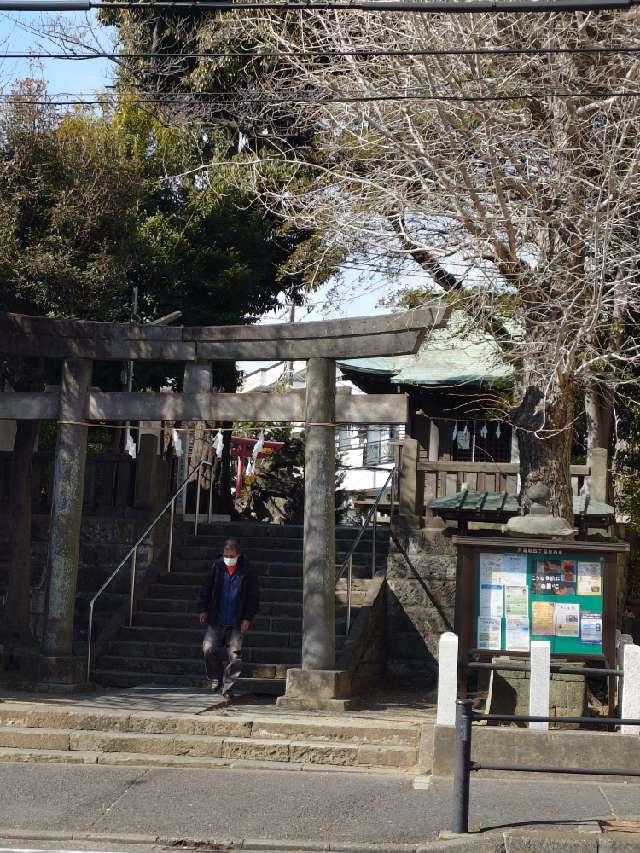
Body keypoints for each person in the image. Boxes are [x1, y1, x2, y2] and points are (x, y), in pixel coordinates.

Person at [198, 538, 259, 700]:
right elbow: (206, 588)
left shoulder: (247, 570)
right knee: (208, 648)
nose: (228, 558)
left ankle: (227, 687)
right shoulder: (217, 567)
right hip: (216, 616)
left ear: (237, 554)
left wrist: (247, 617)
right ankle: (216, 677)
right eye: (226, 555)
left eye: (231, 555)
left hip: (236, 619)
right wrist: (203, 609)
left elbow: (253, 596)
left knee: (234, 655)